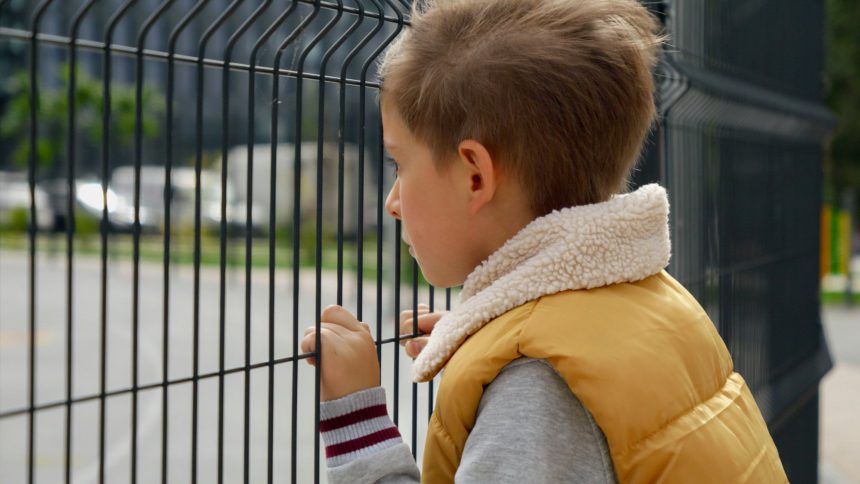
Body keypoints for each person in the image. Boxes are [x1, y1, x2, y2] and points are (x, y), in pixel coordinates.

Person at [300, 0, 789, 482]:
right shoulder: (654, 306)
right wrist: (498, 336)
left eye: (400, 165)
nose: (392, 201)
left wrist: (356, 422)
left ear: (475, 176)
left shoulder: (540, 385)